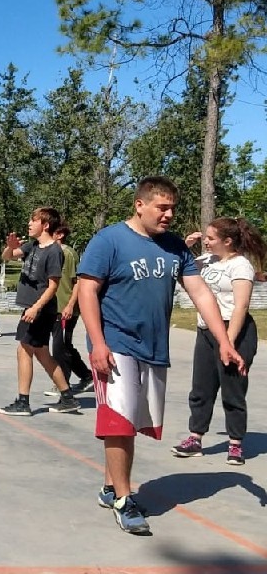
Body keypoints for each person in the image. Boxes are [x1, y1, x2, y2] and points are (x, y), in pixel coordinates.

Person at [78, 177, 245, 535]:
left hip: (153, 347)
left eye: (172, 208)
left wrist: (225, 341)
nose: (169, 214)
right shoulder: (109, 240)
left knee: (134, 423)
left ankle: (110, 487)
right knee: (119, 422)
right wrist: (98, 343)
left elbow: (201, 294)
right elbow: (87, 290)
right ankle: (124, 499)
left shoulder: (174, 247)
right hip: (116, 344)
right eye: (162, 207)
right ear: (139, 205)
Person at [171, 217, 265, 466]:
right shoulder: (205, 261)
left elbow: (241, 307)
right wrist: (184, 246)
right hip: (206, 330)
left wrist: (228, 342)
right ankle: (195, 438)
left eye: (211, 238)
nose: (206, 241)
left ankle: (235, 443)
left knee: (233, 389)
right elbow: (179, 272)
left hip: (235, 331)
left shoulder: (240, 265)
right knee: (201, 388)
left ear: (228, 241)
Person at [0, 207, 80, 417]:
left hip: (40, 309)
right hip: (32, 307)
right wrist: (9, 247)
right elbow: (8, 257)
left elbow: (53, 286)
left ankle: (23, 402)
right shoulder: (32, 245)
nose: (29, 224)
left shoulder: (54, 251)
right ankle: (68, 398)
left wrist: (35, 308)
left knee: (24, 350)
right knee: (42, 353)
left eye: (33, 220)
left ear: (45, 225)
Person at [44, 224, 94, 397]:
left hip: (66, 308)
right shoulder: (50, 253)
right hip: (54, 307)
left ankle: (62, 383)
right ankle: (86, 376)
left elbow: (77, 282)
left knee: (60, 347)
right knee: (64, 345)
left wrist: (71, 305)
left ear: (59, 235)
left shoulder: (69, 254)